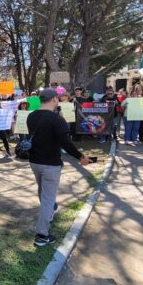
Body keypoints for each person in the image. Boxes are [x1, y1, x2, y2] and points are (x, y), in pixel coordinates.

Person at [27, 89, 91, 247]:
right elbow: (66, 144)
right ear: (54, 99)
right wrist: (80, 157)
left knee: (43, 191)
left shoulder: (31, 116)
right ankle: (41, 236)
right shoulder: (57, 119)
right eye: (58, 98)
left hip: (35, 161)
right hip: (50, 164)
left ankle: (50, 210)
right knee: (48, 200)